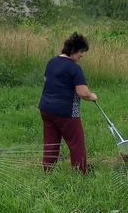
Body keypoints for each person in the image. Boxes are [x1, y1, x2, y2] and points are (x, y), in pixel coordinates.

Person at [38, 32, 97, 174]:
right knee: (76, 144)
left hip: (46, 109)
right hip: (66, 112)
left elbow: (47, 81)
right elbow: (83, 93)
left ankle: (48, 172)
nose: (82, 55)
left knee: (51, 143)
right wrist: (93, 96)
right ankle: (80, 175)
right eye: (81, 51)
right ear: (73, 49)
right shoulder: (74, 68)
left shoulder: (52, 61)